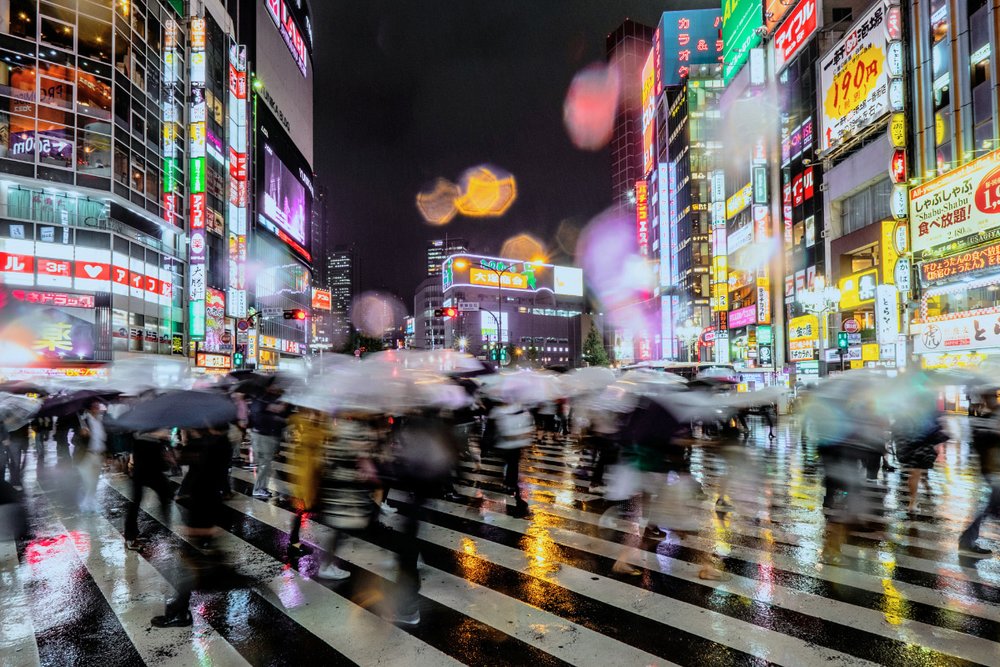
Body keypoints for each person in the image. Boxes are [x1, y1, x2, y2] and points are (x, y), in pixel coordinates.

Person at [151, 426, 231, 628]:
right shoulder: (209, 442)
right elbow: (191, 466)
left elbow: (209, 481)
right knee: (192, 565)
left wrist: (202, 528)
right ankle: (180, 609)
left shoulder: (216, 445)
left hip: (204, 513)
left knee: (190, 567)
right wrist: (177, 453)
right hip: (200, 511)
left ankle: (180, 612)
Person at [315, 411, 379, 581]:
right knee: (338, 528)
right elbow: (346, 453)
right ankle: (325, 566)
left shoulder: (342, 427)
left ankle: (327, 564)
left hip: (342, 488)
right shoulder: (347, 429)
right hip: (342, 489)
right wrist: (362, 454)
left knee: (340, 529)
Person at [960, 389, 1000, 556]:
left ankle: (966, 540)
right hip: (994, 471)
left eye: (994, 396)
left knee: (993, 507)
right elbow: (980, 446)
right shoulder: (983, 421)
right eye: (989, 396)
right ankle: (966, 540)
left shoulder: (989, 419)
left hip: (993, 470)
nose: (993, 400)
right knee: (992, 507)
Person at [123, 429, 173, 551]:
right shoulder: (143, 421)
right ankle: (130, 536)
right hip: (143, 456)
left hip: (154, 456)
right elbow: (135, 433)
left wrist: (164, 441)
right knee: (136, 499)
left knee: (165, 493)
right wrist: (156, 434)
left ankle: (167, 528)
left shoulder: (156, 420)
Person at [249, 385, 289, 498]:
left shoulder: (275, 398)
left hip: (269, 435)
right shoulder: (261, 399)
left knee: (266, 464)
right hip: (263, 436)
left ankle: (261, 487)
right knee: (264, 464)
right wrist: (275, 412)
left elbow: (283, 415)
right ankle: (258, 488)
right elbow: (258, 416)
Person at [76, 401, 107, 513]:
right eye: (94, 406)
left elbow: (104, 438)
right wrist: (82, 435)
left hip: (98, 454)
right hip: (86, 455)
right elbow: (75, 440)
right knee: (88, 482)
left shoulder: (101, 420)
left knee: (94, 482)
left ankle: (90, 503)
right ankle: (84, 505)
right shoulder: (83, 421)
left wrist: (107, 454)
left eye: (98, 406)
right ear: (89, 409)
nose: (97, 408)